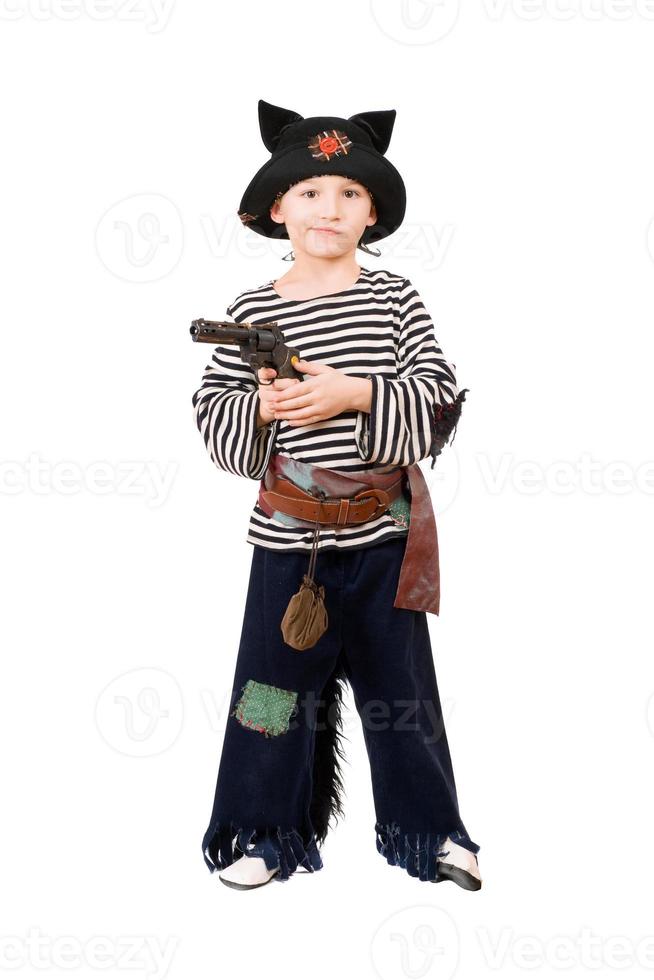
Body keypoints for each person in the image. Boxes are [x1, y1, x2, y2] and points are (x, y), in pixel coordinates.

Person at [192, 99, 482, 891]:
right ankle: (262, 830)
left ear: (374, 212)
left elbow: (439, 401)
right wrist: (261, 406)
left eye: (351, 194)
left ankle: (431, 833)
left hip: (383, 538)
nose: (331, 208)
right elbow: (213, 422)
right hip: (290, 542)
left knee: (404, 699)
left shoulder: (396, 301)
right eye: (313, 192)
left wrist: (353, 394)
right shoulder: (251, 312)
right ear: (276, 208)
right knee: (270, 697)